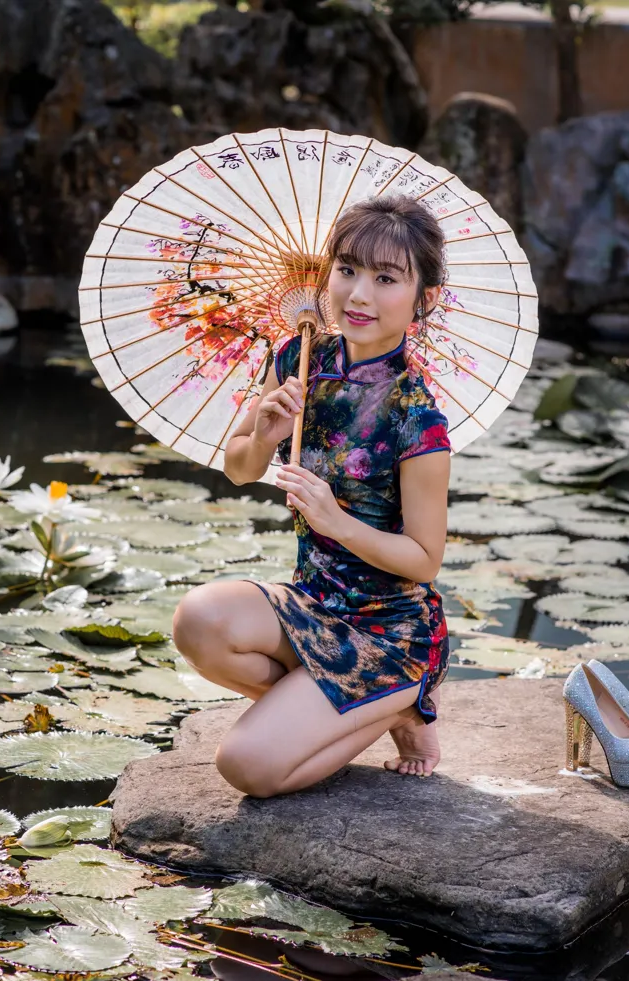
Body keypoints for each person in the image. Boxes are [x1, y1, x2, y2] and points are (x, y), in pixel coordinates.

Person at [171, 194, 453, 799]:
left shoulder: (417, 418)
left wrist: (336, 520)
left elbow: (425, 559)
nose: (358, 295)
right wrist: (266, 432)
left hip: (389, 632)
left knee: (246, 766)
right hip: (313, 602)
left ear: (422, 300)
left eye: (385, 279)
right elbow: (240, 466)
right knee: (198, 621)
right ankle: (372, 711)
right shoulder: (300, 357)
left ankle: (402, 700)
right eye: (347, 270)